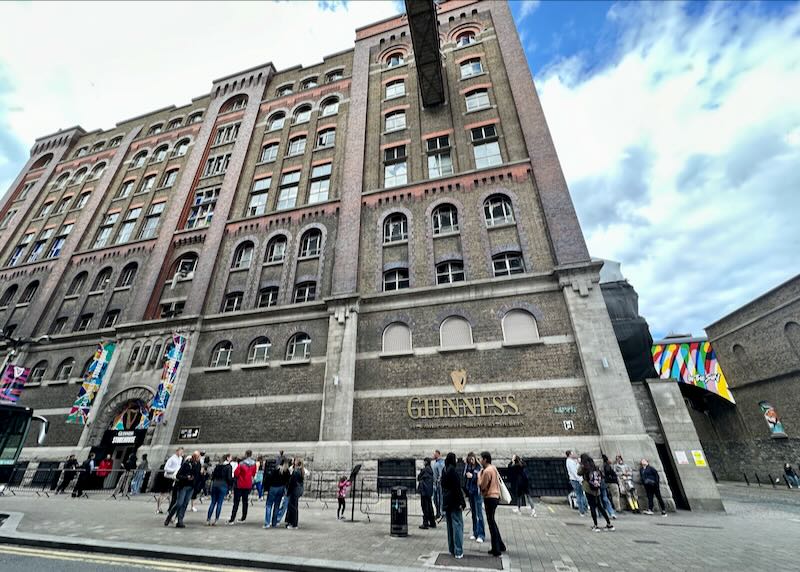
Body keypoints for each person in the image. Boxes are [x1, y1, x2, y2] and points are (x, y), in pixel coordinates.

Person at [478, 451, 506, 557]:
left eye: (481, 459)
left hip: (489, 497)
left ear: (485, 459)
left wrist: (479, 476)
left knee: (491, 523)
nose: (480, 461)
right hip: (495, 497)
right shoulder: (493, 468)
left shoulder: (486, 472)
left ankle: (496, 549)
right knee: (492, 521)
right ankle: (500, 545)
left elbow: (482, 486)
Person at [578, 453, 615, 532]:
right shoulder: (595, 467)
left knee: (592, 506)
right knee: (600, 506)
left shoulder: (584, 468)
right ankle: (609, 524)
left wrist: (580, 464)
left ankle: (596, 525)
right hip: (596, 489)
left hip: (588, 489)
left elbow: (578, 473)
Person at [164, 451, 201, 528]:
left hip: (191, 487)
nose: (199, 458)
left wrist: (196, 485)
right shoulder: (186, 464)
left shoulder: (198, 465)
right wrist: (186, 477)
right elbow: (178, 475)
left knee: (185, 503)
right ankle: (169, 516)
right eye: (198, 457)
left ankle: (180, 520)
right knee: (179, 503)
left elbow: (197, 476)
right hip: (183, 486)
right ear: (194, 457)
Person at [442, 452, 465, 559]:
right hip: (454, 501)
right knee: (457, 525)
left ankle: (452, 548)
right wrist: (462, 502)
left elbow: (442, 485)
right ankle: (458, 550)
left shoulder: (444, 470)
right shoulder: (453, 471)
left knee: (450, 526)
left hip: (447, 500)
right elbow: (457, 488)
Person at [228, 450, 257, 524]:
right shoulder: (254, 464)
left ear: (246, 454)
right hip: (248, 484)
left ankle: (232, 518)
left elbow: (236, 473)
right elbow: (253, 473)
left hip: (240, 484)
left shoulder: (241, 464)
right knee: (245, 501)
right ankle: (243, 517)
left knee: (236, 502)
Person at [463, 452, 485, 543]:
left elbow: (481, 477)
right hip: (471, 492)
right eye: (469, 459)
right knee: (473, 514)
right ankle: (475, 532)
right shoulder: (468, 466)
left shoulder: (479, 467)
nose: (470, 461)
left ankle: (481, 534)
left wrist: (473, 476)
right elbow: (464, 475)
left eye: (471, 459)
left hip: (477, 492)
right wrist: (466, 467)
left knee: (479, 514)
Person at [264, 458, 291, 528]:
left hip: (273, 487)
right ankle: (274, 522)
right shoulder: (286, 471)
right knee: (277, 506)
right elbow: (287, 481)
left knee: (269, 505)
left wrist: (267, 488)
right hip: (281, 488)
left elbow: (270, 478)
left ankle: (267, 523)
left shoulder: (276, 470)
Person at [207, 454, 233, 525]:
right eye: (230, 457)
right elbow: (229, 478)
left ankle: (208, 519)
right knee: (219, 503)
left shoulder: (218, 466)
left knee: (212, 502)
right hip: (223, 484)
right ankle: (216, 520)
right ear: (227, 458)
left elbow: (213, 476)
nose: (231, 459)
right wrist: (230, 487)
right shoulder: (229, 466)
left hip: (215, 484)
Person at [565, 450, 587, 516]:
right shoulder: (569, 462)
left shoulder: (573, 461)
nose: (574, 454)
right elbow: (574, 472)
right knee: (579, 494)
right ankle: (581, 510)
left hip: (577, 479)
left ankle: (584, 508)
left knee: (581, 494)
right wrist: (579, 480)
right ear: (570, 454)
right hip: (575, 480)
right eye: (572, 453)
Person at [285, 459, 305, 529]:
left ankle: (293, 523)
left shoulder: (296, 472)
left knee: (292, 507)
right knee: (294, 507)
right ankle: (293, 523)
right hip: (298, 490)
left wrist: (288, 492)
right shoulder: (301, 471)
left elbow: (292, 483)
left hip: (294, 490)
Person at [164, 447, 184, 514]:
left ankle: (170, 508)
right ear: (177, 451)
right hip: (170, 477)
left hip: (176, 477)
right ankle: (169, 508)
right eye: (180, 451)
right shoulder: (172, 459)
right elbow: (166, 468)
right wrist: (174, 470)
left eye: (182, 452)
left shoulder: (181, 458)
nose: (181, 453)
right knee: (170, 494)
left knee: (174, 495)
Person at [417, 458, 436, 529]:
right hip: (429, 491)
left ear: (426, 462)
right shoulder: (430, 470)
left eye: (424, 462)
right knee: (430, 506)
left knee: (425, 507)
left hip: (424, 491)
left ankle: (425, 523)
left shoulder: (425, 470)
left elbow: (419, 477)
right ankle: (432, 522)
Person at [432, 450, 444, 520]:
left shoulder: (440, 463)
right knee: (435, 499)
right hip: (435, 485)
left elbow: (441, 474)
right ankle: (438, 513)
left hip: (439, 485)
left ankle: (442, 514)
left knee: (440, 499)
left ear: (438, 454)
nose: (433, 455)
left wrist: (438, 482)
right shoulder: (436, 463)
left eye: (434, 454)